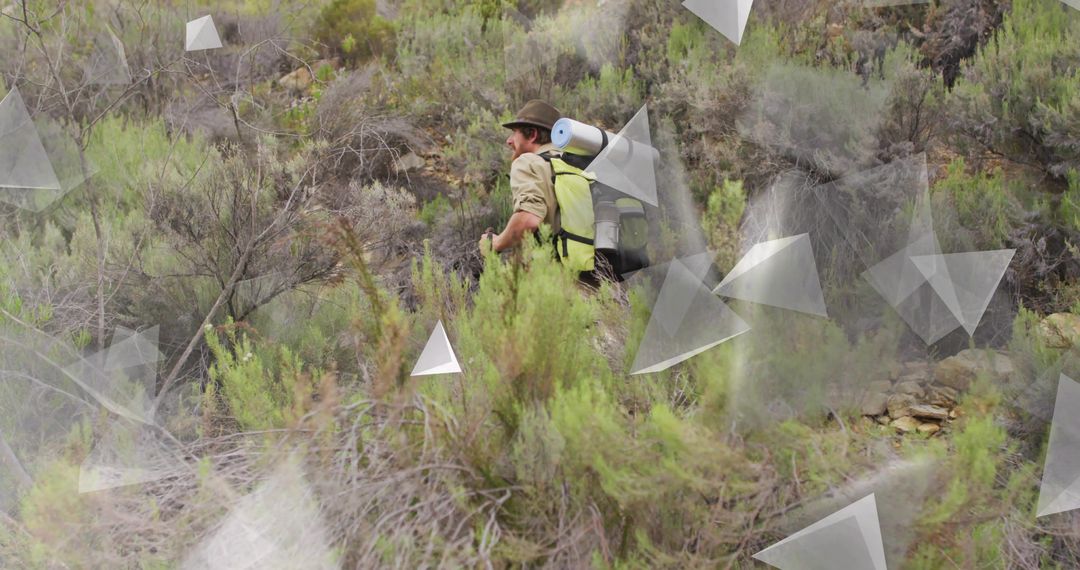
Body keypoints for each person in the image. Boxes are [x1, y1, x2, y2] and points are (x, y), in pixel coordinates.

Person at [478, 99, 563, 256]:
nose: (509, 141)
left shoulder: (528, 161)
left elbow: (529, 219)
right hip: (598, 275)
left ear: (532, 134)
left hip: (554, 275)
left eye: (514, 133)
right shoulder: (573, 163)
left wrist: (495, 243)